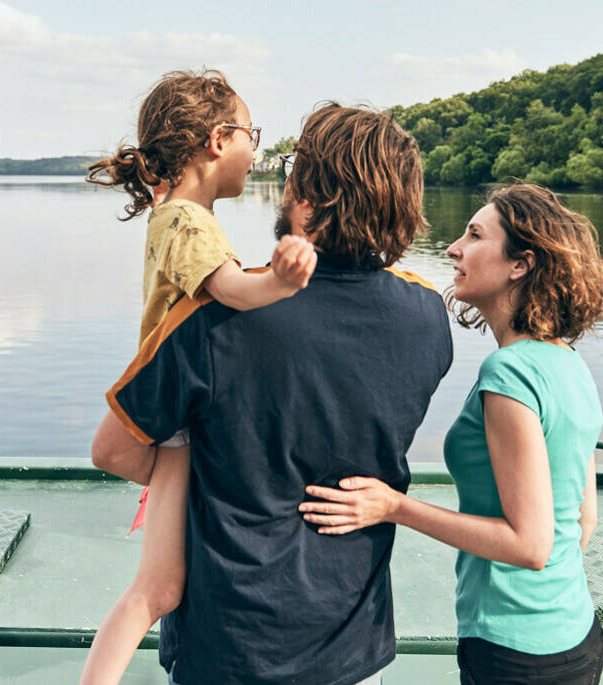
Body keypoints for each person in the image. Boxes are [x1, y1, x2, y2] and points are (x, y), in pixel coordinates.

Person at [90, 103, 452, 685]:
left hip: (228, 651)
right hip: (352, 652)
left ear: (309, 201)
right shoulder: (429, 318)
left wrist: (185, 467)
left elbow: (113, 452)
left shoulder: (213, 319)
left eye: (291, 175)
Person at [301, 183, 603, 685]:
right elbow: (585, 519)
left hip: (515, 653)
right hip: (575, 634)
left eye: (474, 235)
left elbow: (530, 546)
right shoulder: (568, 362)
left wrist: (392, 507)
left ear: (520, 264)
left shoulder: (508, 375)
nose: (453, 248)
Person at [79, 69, 319, 685]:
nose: (256, 150)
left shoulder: (177, 213)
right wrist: (282, 281)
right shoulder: (185, 221)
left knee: (159, 588)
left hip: (174, 421)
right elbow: (229, 290)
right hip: (179, 423)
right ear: (218, 140)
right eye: (251, 134)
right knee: (154, 590)